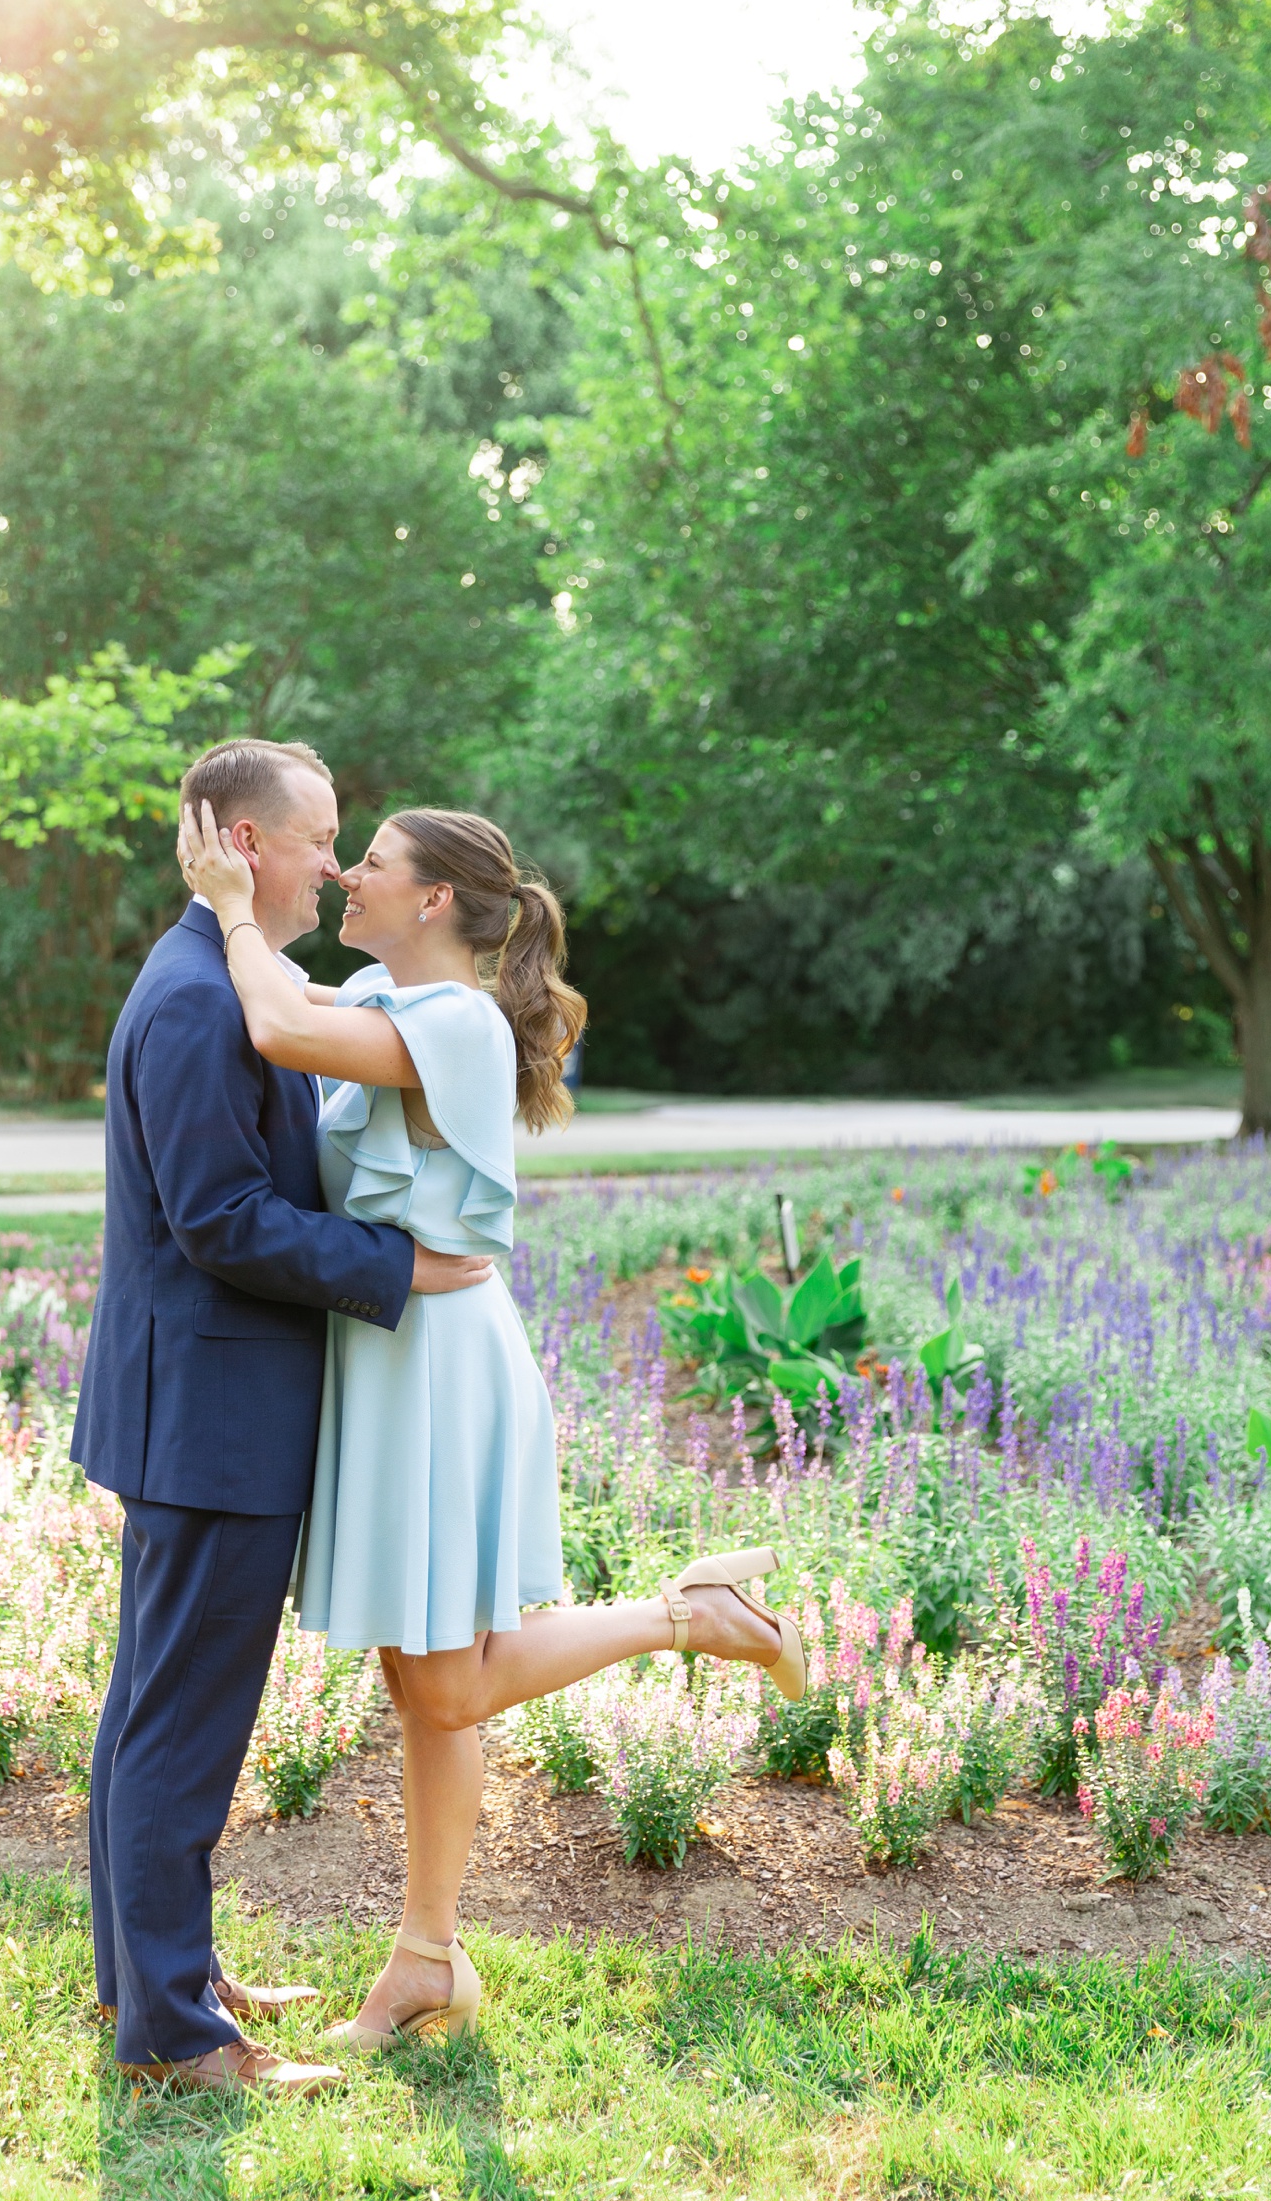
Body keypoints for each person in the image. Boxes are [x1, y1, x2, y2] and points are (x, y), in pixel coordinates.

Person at [179, 791, 807, 2054]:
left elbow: (272, 1024)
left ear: (434, 902)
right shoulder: (390, 1003)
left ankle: (688, 1617)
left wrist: (233, 907)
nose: (350, 878)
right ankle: (426, 1957)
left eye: (374, 865)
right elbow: (297, 1018)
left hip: (438, 1364)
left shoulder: (456, 1020)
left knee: (446, 1681)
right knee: (426, 1689)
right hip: (395, 1350)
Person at [72, 737, 496, 2098]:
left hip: (202, 1405)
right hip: (213, 1418)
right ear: (251, 846)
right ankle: (180, 2039)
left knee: (151, 1714)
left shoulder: (213, 970)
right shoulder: (202, 998)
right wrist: (400, 1268)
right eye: (321, 839)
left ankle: (153, 1979)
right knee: (180, 1730)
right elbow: (220, 1221)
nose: (335, 860)